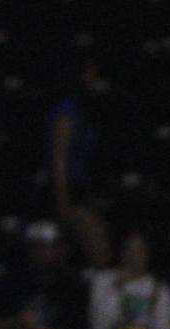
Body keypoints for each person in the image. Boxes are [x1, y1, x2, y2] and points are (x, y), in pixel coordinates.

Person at [48, 59, 112, 270]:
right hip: (70, 188)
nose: (94, 79)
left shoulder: (87, 109)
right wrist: (63, 199)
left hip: (85, 187)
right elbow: (60, 157)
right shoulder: (68, 109)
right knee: (100, 255)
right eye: (90, 74)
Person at [89, 232, 170, 329]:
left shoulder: (159, 288)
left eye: (139, 250)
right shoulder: (104, 279)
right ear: (121, 253)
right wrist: (117, 287)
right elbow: (99, 324)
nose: (133, 255)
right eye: (128, 249)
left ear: (147, 255)